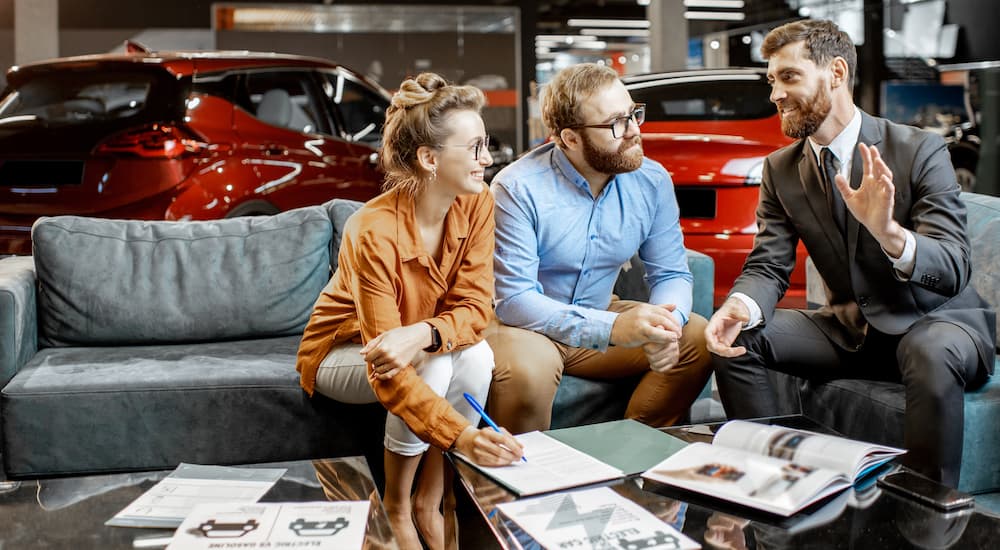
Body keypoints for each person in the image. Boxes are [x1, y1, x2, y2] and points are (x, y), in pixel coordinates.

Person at [704, 19, 995, 488]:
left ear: (836, 72)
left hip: (939, 323)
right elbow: (768, 263)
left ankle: (927, 514)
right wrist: (740, 304)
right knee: (740, 336)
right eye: (772, 80)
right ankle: (772, 485)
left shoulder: (920, 149)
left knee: (928, 349)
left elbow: (954, 266)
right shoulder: (780, 169)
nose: (775, 93)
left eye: (789, 76)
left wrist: (890, 233)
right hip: (849, 329)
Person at [295, 72, 523, 550]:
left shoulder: (476, 204)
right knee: (432, 364)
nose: (487, 160)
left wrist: (420, 333)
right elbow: (388, 371)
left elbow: (476, 309)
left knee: (477, 355)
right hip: (344, 351)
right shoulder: (371, 229)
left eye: (487, 145)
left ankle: (430, 498)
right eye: (476, 148)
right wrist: (462, 437)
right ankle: (398, 504)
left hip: (413, 341)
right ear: (429, 158)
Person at [486, 62, 713, 434]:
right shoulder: (518, 187)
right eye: (616, 123)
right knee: (529, 371)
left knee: (696, 339)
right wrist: (612, 328)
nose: (635, 131)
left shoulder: (651, 181)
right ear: (569, 138)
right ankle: (523, 486)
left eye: (634, 115)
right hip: (526, 325)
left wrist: (667, 326)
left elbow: (671, 272)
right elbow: (515, 300)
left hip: (599, 309)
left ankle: (628, 460)